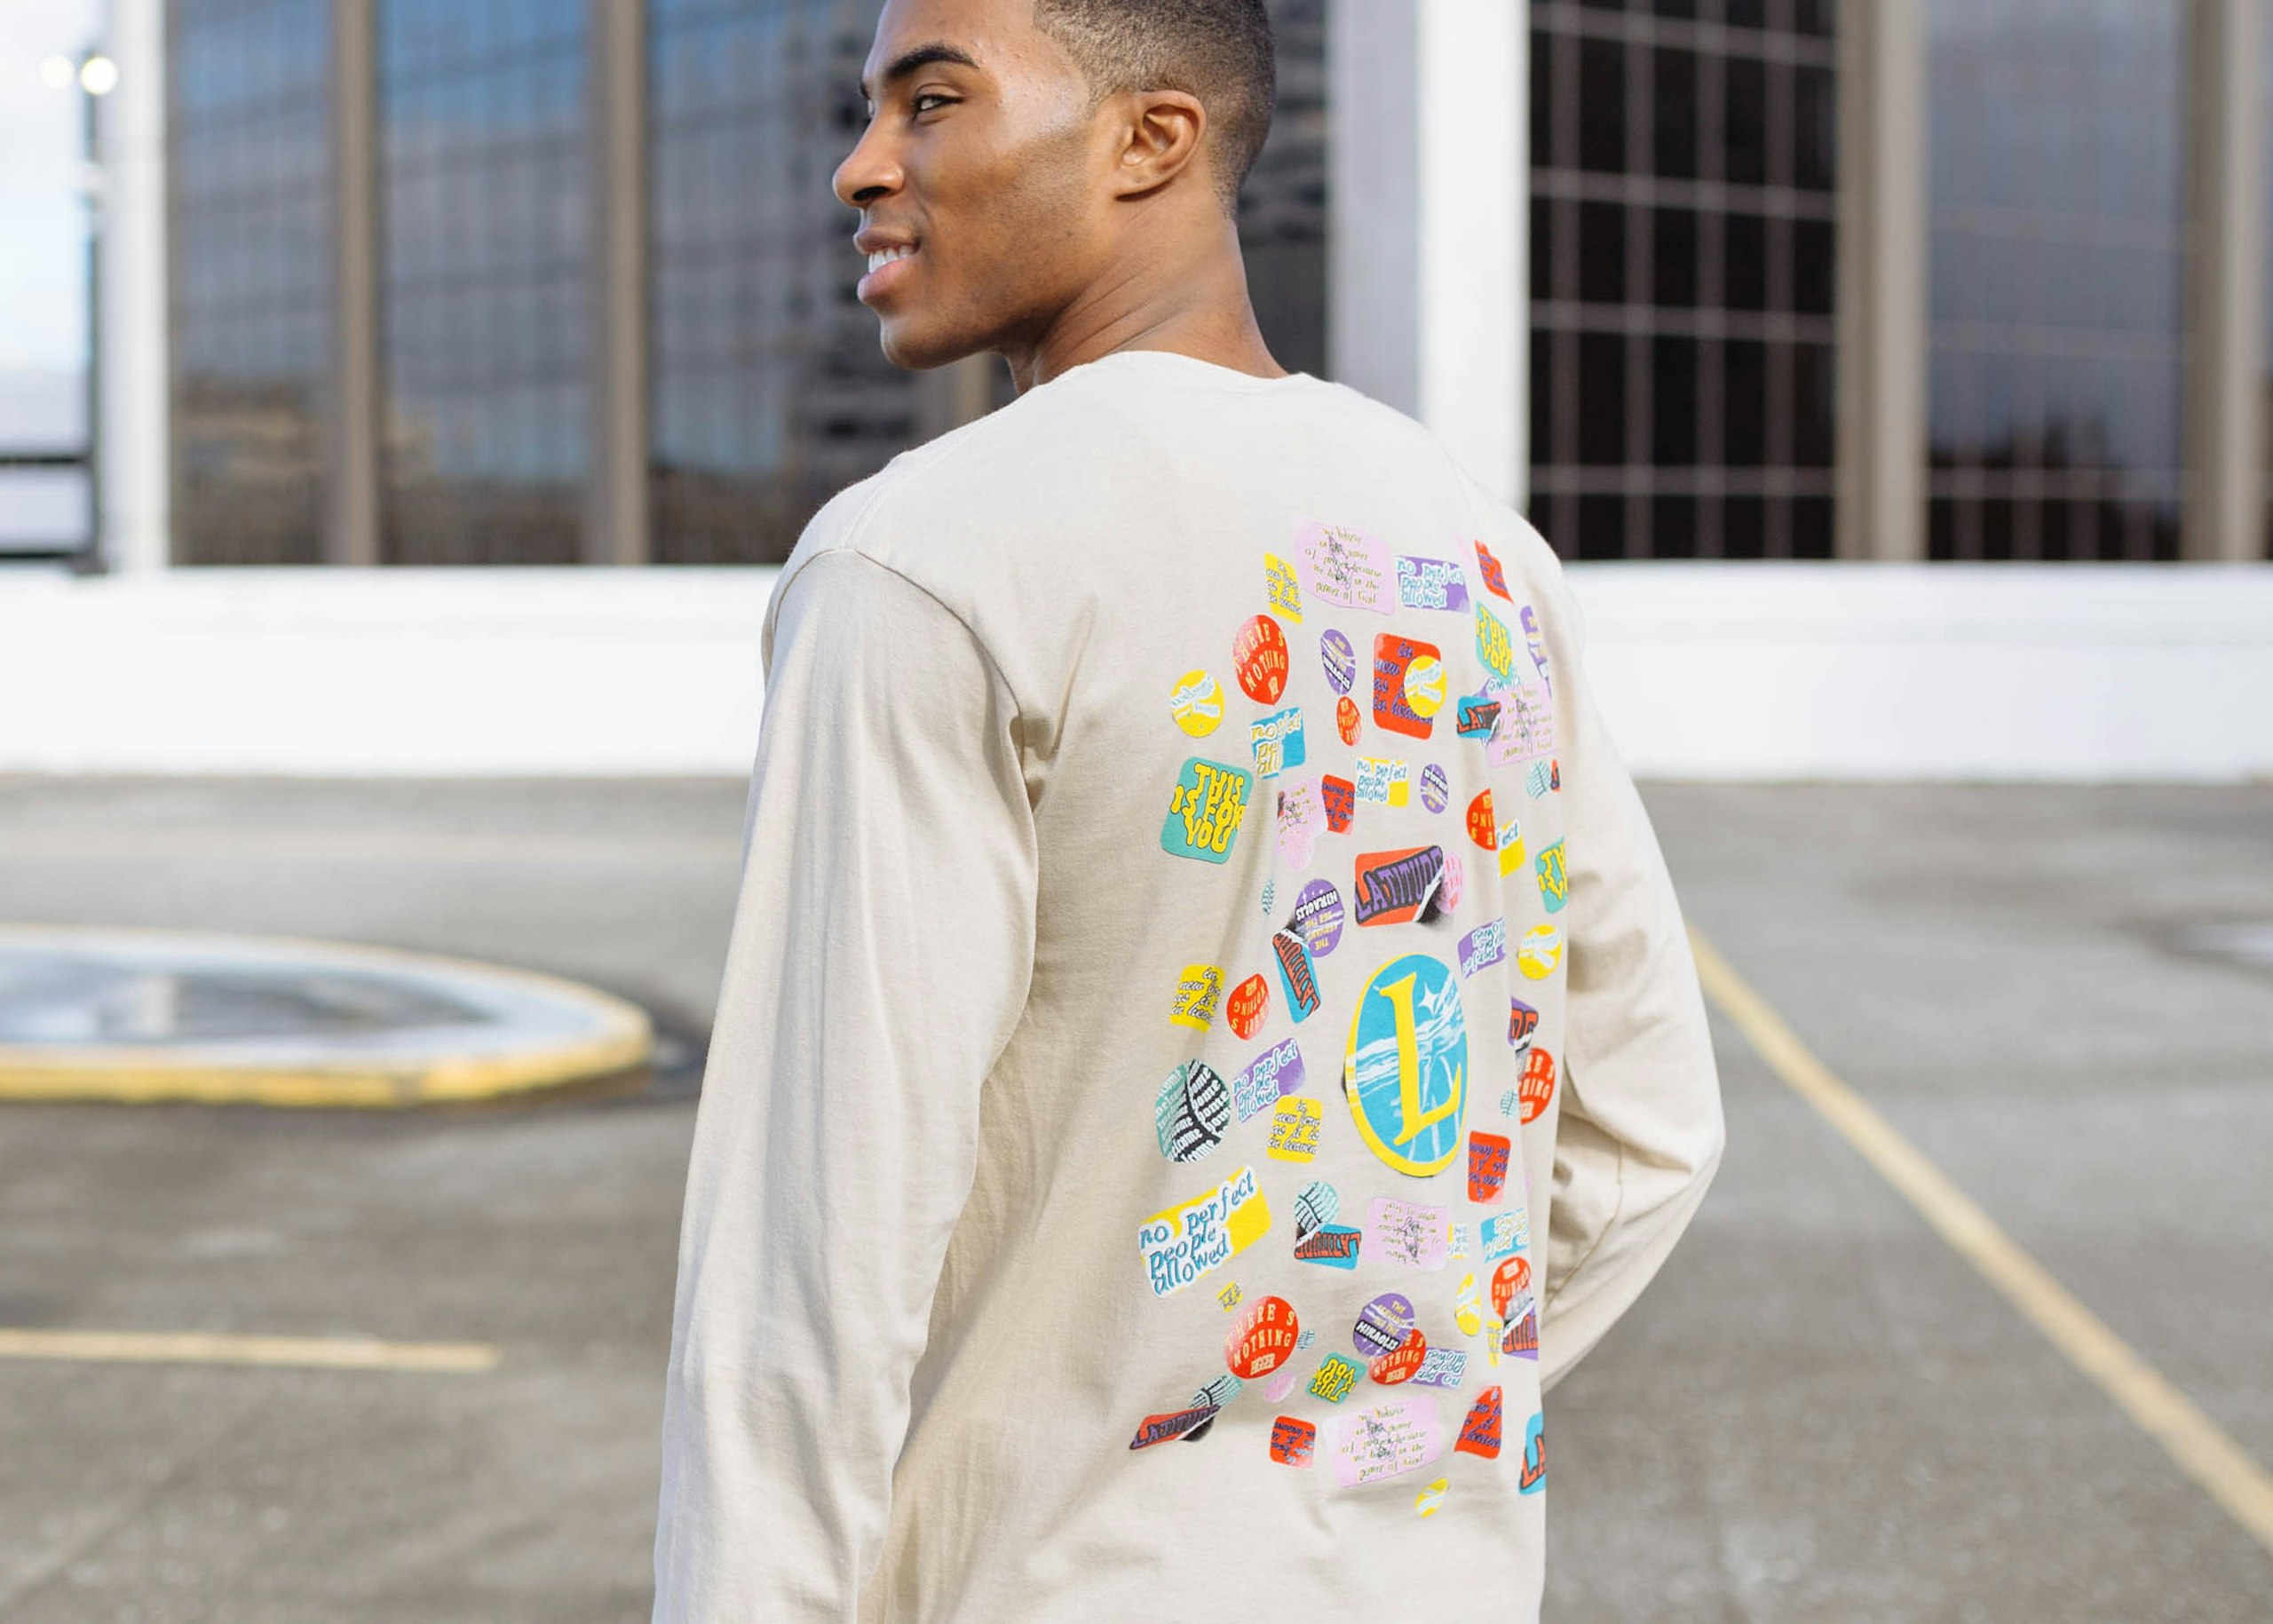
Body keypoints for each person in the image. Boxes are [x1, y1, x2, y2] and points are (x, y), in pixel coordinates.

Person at [650, 0, 1725, 1617]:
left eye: (931, 102)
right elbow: (1646, 1131)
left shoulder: (924, 561)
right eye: (868, 110)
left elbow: (811, 1259)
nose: (859, 167)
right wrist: (1336, 1422)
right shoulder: (1485, 553)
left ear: (1153, 139)